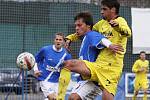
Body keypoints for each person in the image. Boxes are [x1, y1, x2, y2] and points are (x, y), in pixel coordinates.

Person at [58, 0, 131, 100]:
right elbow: (87, 32)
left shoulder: (121, 21)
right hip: (98, 64)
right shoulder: (101, 24)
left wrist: (118, 27)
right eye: (101, 9)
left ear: (113, 10)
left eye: (104, 9)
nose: (101, 12)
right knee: (69, 65)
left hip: (113, 69)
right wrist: (70, 38)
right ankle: (58, 82)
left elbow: (128, 33)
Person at [33, 32, 72, 100]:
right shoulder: (45, 50)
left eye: (60, 40)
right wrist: (35, 70)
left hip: (57, 82)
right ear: (54, 40)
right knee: (53, 97)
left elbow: (68, 69)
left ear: (63, 42)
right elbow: (35, 60)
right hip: (45, 79)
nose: (58, 41)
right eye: (56, 39)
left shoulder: (66, 54)